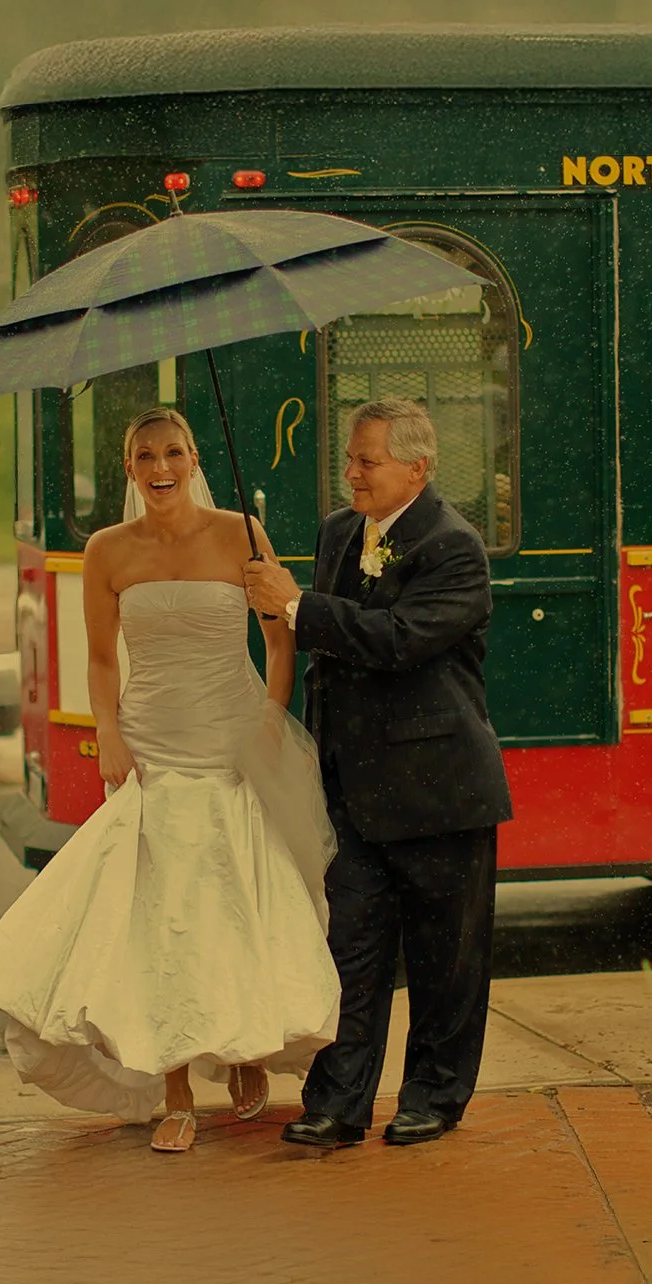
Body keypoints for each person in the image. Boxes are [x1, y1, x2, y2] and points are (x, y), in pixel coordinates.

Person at [0, 406, 340, 1153]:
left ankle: (246, 1046)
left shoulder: (241, 533)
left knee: (236, 898)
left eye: (172, 451)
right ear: (129, 470)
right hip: (154, 742)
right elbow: (103, 659)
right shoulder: (109, 550)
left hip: (232, 734)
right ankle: (175, 1088)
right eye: (145, 456)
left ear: (193, 457)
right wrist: (108, 731)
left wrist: (273, 715)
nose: (160, 467)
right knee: (161, 916)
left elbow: (279, 639)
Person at [243, 397, 512, 1149]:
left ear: (418, 468)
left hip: (439, 790)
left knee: (444, 960)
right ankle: (337, 1103)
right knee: (351, 954)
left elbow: (399, 640)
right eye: (351, 458)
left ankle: (434, 1095)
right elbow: (329, 655)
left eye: (367, 461)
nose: (351, 474)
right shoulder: (338, 533)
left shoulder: (455, 548)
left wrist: (299, 608)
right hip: (352, 790)